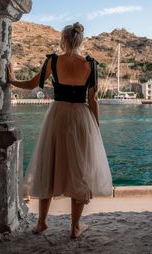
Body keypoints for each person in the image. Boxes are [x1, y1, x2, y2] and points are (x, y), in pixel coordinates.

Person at [7, 22, 113, 239]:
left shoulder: (53, 61)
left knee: (50, 164)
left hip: (57, 116)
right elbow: (93, 100)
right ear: (81, 41)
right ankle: (74, 227)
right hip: (81, 118)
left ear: (63, 40)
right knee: (79, 169)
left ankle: (41, 222)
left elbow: (33, 83)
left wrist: (11, 80)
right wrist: (97, 128)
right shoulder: (91, 65)